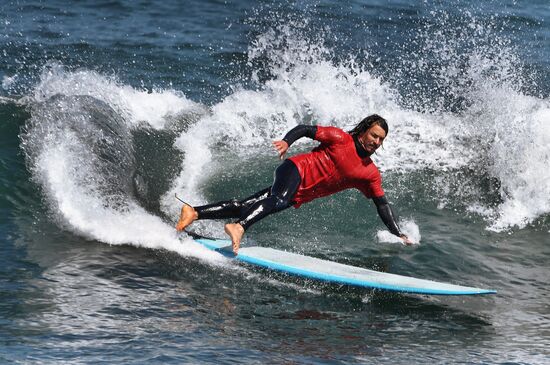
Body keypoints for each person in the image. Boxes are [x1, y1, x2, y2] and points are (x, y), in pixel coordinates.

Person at [176, 114, 412, 253]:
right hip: (294, 170)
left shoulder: (369, 173)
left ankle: (194, 212)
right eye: (374, 135)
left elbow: (382, 205)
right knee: (278, 200)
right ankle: (240, 227)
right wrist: (287, 142)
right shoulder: (340, 138)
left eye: (381, 139)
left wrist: (398, 233)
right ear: (363, 131)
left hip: (299, 192)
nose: (377, 142)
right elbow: (306, 129)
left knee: (246, 204)